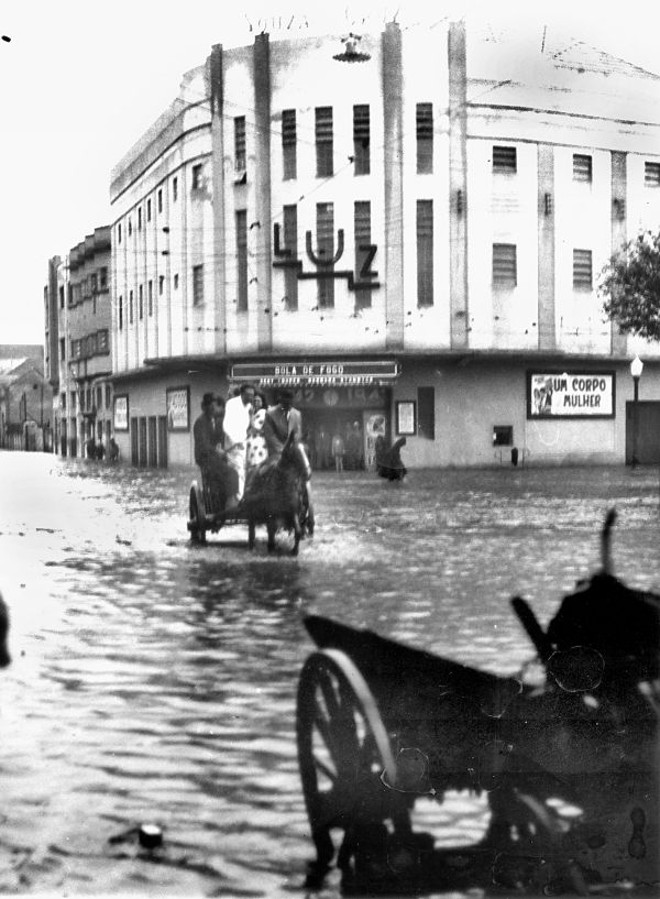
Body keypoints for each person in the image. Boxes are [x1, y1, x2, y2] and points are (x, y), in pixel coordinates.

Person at [193, 393, 238, 511]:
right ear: (204, 407)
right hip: (204, 458)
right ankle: (230, 502)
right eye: (210, 407)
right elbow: (203, 444)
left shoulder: (216, 420)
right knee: (231, 472)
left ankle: (233, 498)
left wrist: (221, 449)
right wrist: (217, 451)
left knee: (236, 466)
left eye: (214, 407)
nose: (213, 410)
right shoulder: (200, 422)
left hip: (215, 457)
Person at [222, 383, 255, 504]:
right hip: (233, 445)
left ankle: (250, 496)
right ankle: (240, 500)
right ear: (242, 394)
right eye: (248, 395)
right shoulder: (232, 404)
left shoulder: (249, 407)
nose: (250, 398)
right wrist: (236, 442)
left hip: (244, 443)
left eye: (252, 395)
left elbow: (247, 427)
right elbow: (226, 426)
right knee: (238, 469)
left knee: (251, 468)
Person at [245, 391, 269, 487]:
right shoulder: (254, 412)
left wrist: (250, 416)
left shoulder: (262, 413)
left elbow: (255, 428)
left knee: (257, 464)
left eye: (258, 401)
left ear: (263, 402)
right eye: (255, 401)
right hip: (251, 442)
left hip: (258, 443)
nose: (256, 403)